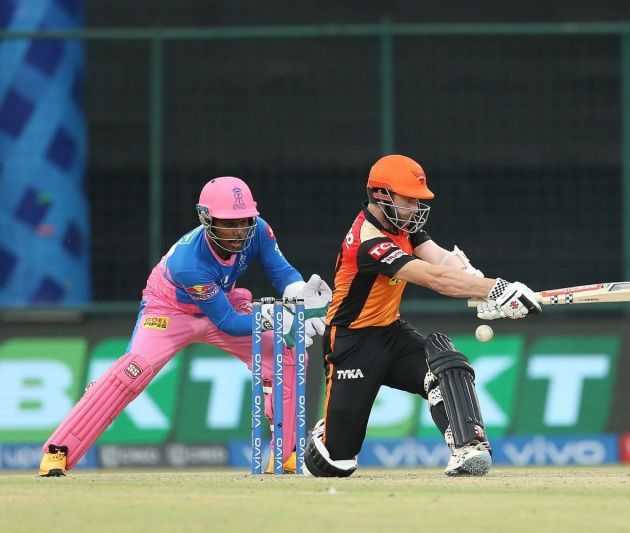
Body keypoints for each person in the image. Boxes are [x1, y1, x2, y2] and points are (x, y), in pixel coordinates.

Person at [38, 176, 331, 476]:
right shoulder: (188, 261)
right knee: (132, 371)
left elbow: (280, 271)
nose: (238, 232)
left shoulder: (258, 230)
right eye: (228, 224)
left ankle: (285, 454)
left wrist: (297, 293)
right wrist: (272, 317)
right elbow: (227, 323)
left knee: (288, 353)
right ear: (206, 219)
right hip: (169, 310)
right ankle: (58, 452)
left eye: (243, 222)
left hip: (222, 298)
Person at [303, 155, 540, 478]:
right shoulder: (368, 242)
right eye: (409, 200)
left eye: (417, 200)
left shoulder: (403, 227)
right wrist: (494, 289)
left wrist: (476, 283)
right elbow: (433, 278)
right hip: (351, 342)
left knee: (445, 363)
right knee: (335, 463)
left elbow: (442, 260)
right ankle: (327, 434)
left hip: (390, 331)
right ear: (381, 195)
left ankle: (468, 448)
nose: (415, 208)